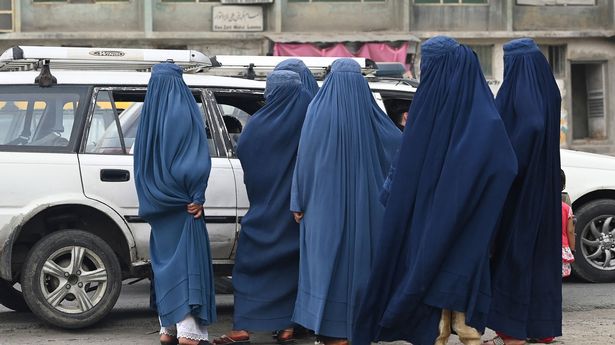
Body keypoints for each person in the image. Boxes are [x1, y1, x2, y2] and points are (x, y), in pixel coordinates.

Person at [352, 36, 518, 345]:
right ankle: (454, 329)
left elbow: (404, 165)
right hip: (467, 221)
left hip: (431, 220)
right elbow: (504, 165)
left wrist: (399, 199)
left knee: (427, 269)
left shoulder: (429, 108)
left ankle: (442, 330)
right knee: (456, 269)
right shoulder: (481, 114)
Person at [290, 58, 401, 345]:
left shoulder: (317, 111)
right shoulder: (374, 115)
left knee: (326, 269)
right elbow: (399, 148)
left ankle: (331, 332)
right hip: (370, 211)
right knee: (364, 268)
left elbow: (305, 161)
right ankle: (361, 328)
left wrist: (297, 202)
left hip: (323, 211)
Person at [213, 70, 313, 345]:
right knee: (292, 270)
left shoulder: (257, 124)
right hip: (297, 215)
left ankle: (243, 327)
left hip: (262, 211)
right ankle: (286, 329)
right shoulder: (309, 123)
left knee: (248, 266)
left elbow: (247, 159)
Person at [485, 38, 562, 345]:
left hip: (520, 191)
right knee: (541, 259)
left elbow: (529, 126)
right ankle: (541, 328)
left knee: (514, 256)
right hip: (544, 188)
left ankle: (512, 330)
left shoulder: (521, 96)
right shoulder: (547, 89)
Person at [134, 62, 216, 345]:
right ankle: (188, 333)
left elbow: (141, 164)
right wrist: (197, 195)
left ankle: (167, 328)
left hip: (159, 207)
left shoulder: (149, 115)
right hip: (184, 207)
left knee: (165, 265)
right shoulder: (183, 110)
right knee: (186, 265)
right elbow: (194, 162)